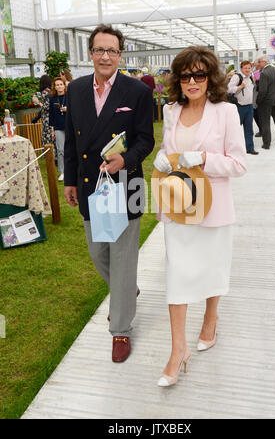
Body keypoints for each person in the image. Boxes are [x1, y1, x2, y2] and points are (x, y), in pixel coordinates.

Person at [153, 46, 247, 387]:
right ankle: (178, 350)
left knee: (212, 269)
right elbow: (167, 149)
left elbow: (239, 164)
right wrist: (162, 159)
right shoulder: (171, 110)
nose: (192, 81)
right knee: (176, 275)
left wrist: (204, 158)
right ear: (178, 79)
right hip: (178, 206)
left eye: (199, 75)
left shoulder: (225, 113)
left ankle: (211, 318)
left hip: (213, 206)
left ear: (210, 77)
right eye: (186, 75)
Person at [64, 24, 154, 363]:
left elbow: (147, 139)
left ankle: (120, 329)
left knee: (123, 256)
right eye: (99, 50)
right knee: (99, 253)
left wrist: (126, 160)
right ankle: (126, 290)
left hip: (125, 184)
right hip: (91, 186)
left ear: (120, 54)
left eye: (112, 50)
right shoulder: (75, 90)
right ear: (90, 53)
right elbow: (72, 141)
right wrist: (69, 180)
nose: (105, 56)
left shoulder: (137, 92)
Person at [227, 60, 258, 155]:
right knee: (235, 129)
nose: (248, 70)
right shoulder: (237, 77)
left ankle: (250, 148)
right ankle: (232, 149)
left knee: (249, 129)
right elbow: (229, 89)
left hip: (249, 107)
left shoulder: (251, 77)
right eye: (245, 68)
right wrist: (240, 86)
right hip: (239, 107)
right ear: (241, 69)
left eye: (249, 68)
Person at [256, 55, 275, 149]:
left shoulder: (264, 73)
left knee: (265, 123)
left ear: (265, 62)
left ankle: (266, 144)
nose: (258, 63)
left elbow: (262, 91)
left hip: (266, 102)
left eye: (260, 62)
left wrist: (258, 101)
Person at [49, 77, 68, 181]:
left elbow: (76, 111)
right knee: (60, 150)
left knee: (70, 150)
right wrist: (52, 131)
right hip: (58, 128)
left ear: (64, 85)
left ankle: (73, 170)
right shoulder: (52, 99)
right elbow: (51, 116)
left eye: (61, 84)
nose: (59, 86)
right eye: (57, 85)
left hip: (69, 127)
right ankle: (62, 172)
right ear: (54, 87)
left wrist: (67, 109)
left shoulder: (69, 96)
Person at [32, 75, 54, 148]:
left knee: (47, 137)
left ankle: (49, 155)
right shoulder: (51, 91)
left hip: (47, 119)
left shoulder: (44, 92)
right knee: (52, 137)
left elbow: (46, 107)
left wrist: (37, 102)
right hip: (52, 117)